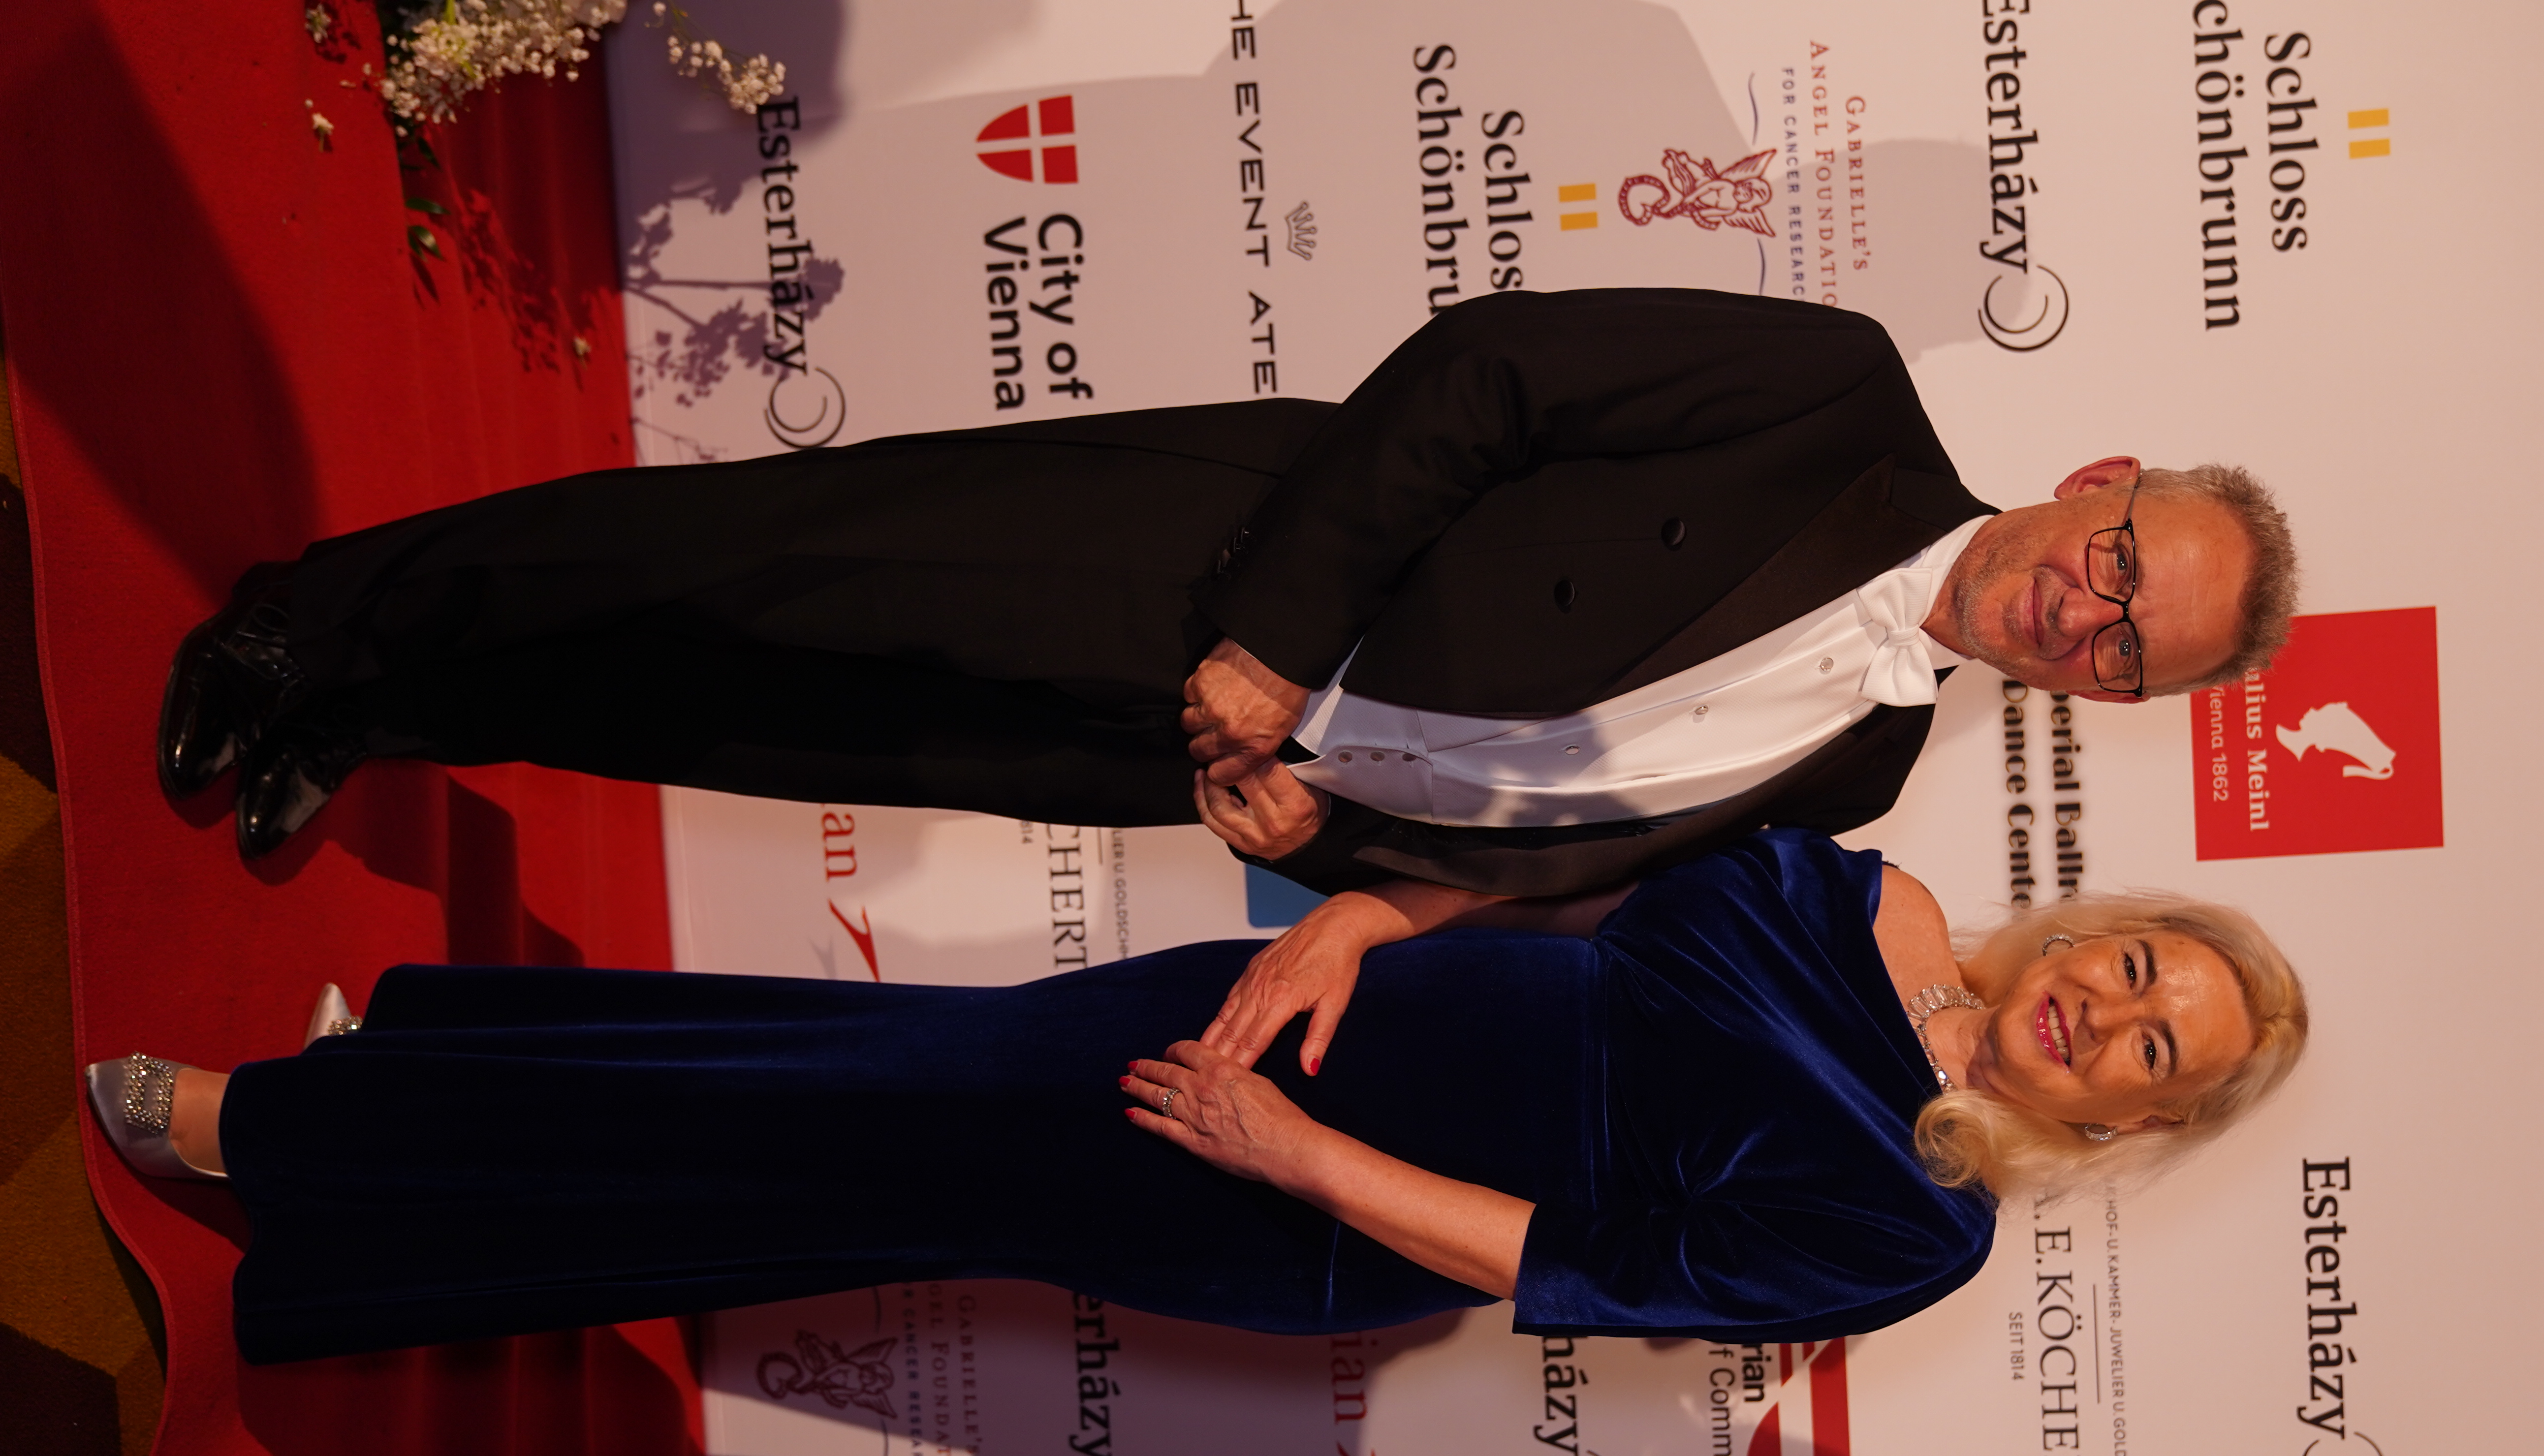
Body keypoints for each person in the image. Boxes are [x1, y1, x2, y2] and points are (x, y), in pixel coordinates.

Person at [158, 288, 2299, 894]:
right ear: (2095, 484)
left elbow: (1551, 855)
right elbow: (1489, 371)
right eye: (2123, 565)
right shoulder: (1837, 399)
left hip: (1188, 764)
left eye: (2131, 649)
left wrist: (1329, 832)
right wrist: (1278, 636)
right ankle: (305, 620)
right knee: (751, 563)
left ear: (2107, 704)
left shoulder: (1858, 783)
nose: (2088, 617)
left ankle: (383, 713)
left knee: (768, 716)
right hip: (1202, 564)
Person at [85, 831, 2306, 1363]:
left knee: (850, 1147)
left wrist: (1299, 1149)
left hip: (1291, 1175)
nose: (2106, 1016)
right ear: (2096, 924)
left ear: (2128, 1125)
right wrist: (1356, 916)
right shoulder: (1889, 886)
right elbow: (1569, 874)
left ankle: (283, 1137)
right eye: (2136, 968)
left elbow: (1594, 1270)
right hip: (1285, 1004)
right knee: (848, 1080)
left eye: (2151, 1053)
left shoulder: (1922, 1226)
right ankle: (406, 1132)